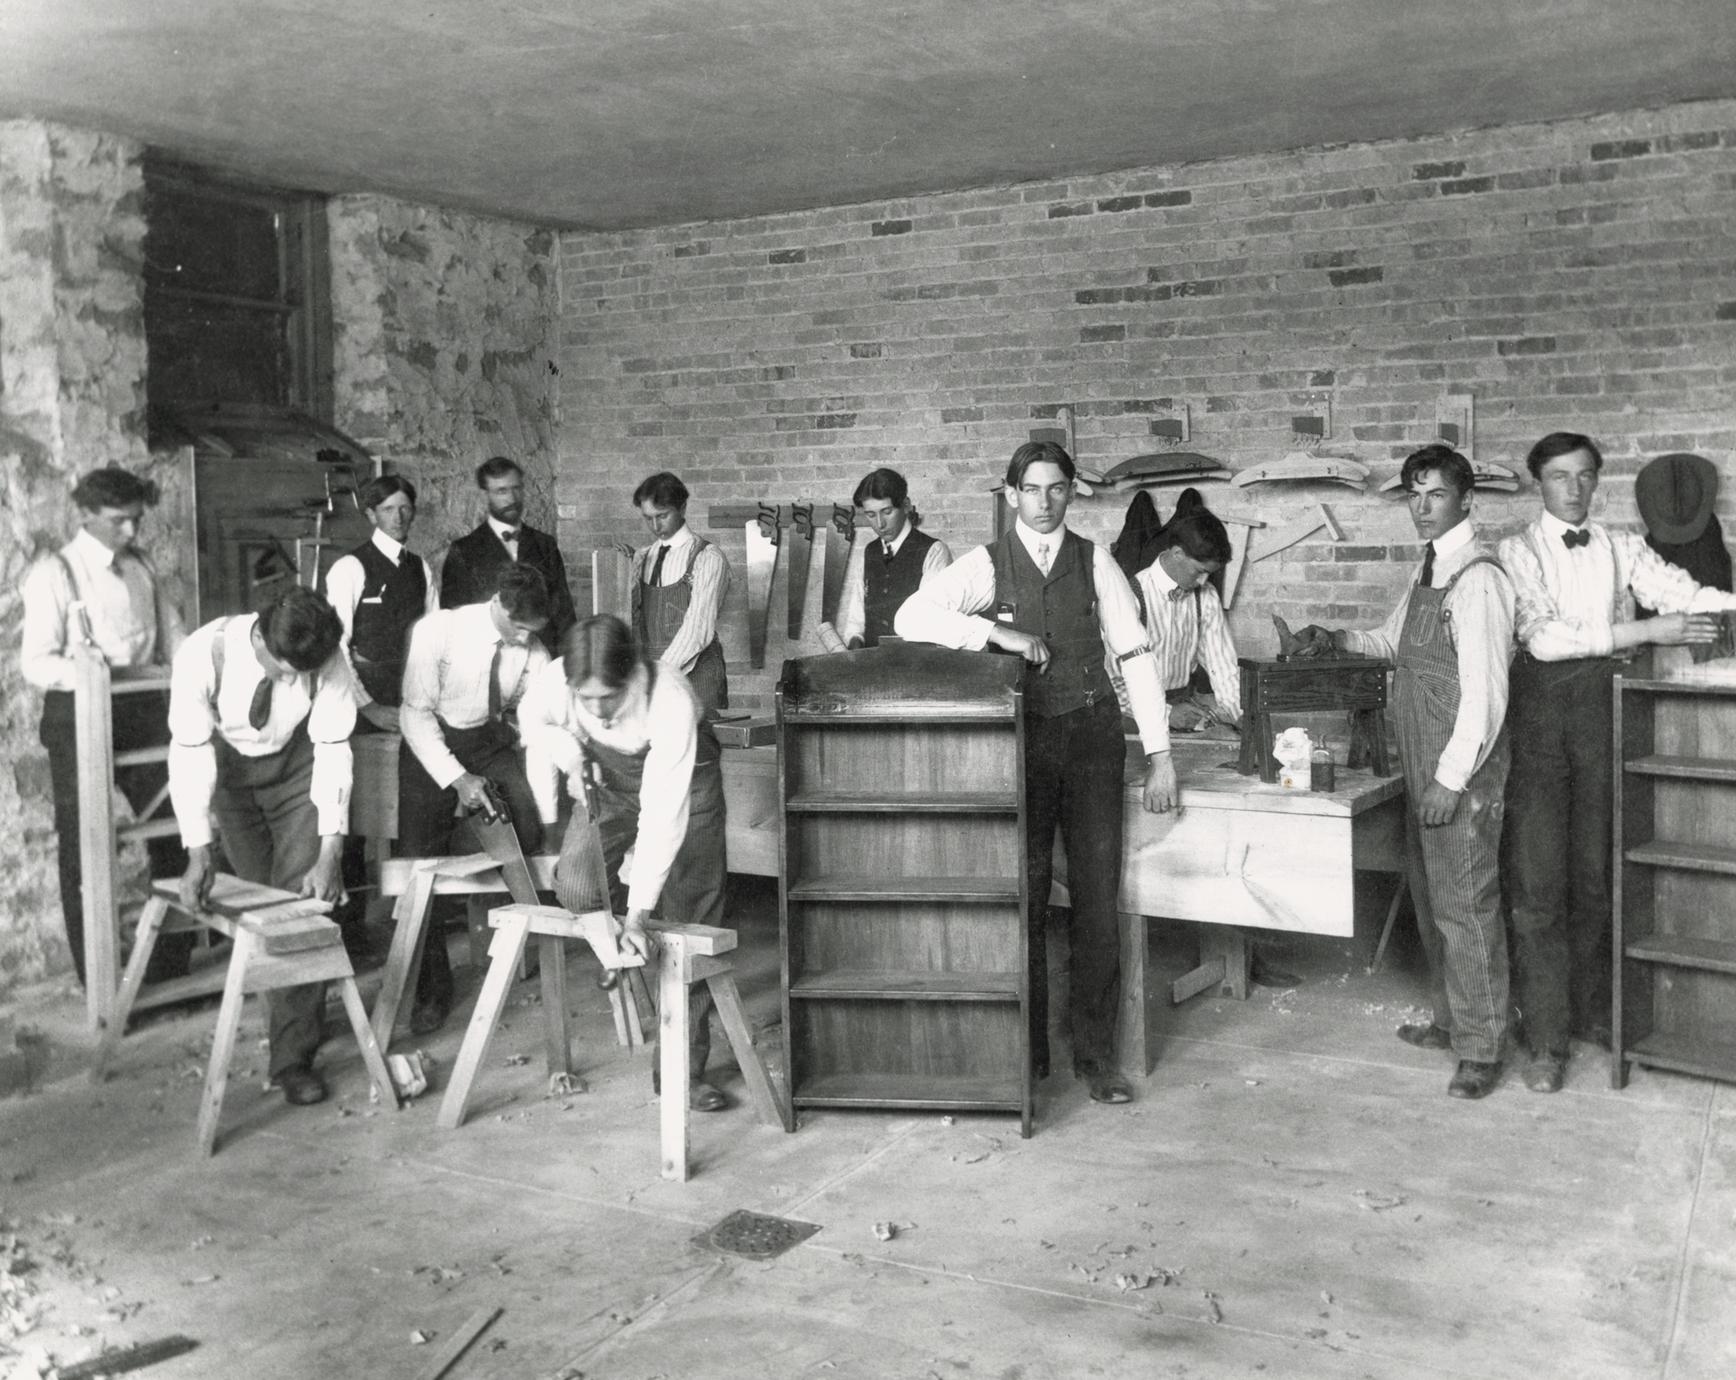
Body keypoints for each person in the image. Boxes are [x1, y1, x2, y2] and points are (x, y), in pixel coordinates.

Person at [895, 440, 1173, 1105]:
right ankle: (1027, 1058)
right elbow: (911, 617)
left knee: (1097, 903)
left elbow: (1134, 656)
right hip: (1021, 746)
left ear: (1071, 493)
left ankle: (1097, 1058)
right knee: (1019, 902)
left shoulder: (1095, 559)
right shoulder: (986, 564)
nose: (1044, 503)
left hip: (1092, 740)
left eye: (1057, 489)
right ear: (1010, 494)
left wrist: (1162, 755)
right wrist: (995, 634)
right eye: (1032, 490)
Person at [1498, 431, 1736, 1093]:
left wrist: (1720, 607)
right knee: (1540, 885)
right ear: (1538, 483)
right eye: (1557, 477)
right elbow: (1544, 640)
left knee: (1599, 878)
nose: (1572, 489)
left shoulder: (1620, 546)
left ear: (1597, 481)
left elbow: (1687, 593)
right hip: (1542, 719)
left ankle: (1588, 1015)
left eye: (1583, 476)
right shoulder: (1517, 552)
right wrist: (1647, 631)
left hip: (1606, 713)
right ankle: (1545, 1041)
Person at [1297, 445, 1515, 1100]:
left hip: (1462, 767)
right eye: (1414, 496)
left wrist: (1451, 779)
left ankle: (1483, 1048)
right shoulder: (1430, 567)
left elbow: (1486, 696)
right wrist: (1334, 639)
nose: (1422, 508)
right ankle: (1453, 1022)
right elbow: (1394, 642)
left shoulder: (1479, 577)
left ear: (1466, 499)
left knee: (1467, 905)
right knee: (1430, 894)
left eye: (1436, 495)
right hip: (1422, 756)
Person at [521, 615, 731, 1112]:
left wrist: (638, 912)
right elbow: (533, 722)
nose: (596, 708)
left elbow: (662, 815)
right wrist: (565, 749)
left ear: (631, 674)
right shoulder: (556, 680)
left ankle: (682, 1068)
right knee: (575, 885)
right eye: (585, 699)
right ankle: (632, 957)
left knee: (690, 915)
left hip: (687, 785)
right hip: (609, 783)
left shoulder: (670, 699)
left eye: (607, 697)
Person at [167, 586, 358, 1107]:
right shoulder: (202, 654)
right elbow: (189, 752)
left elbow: (334, 748)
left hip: (298, 771)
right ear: (261, 635)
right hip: (230, 776)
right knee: (261, 911)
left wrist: (331, 850)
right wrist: (199, 850)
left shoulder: (327, 658)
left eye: (305, 673)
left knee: (299, 906)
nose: (295, 680)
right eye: (284, 671)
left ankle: (293, 1058)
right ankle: (288, 1021)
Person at [22, 467, 190, 987]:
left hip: (141, 711)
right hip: (78, 716)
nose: (132, 533)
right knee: (85, 848)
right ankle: (100, 981)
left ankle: (169, 974)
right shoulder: (56, 573)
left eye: (137, 521)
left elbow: (177, 639)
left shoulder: (141, 566)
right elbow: (35, 662)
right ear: (88, 514)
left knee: (175, 832)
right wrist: (89, 675)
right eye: (120, 522)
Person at [398, 564, 552, 1034]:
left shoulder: (533, 647)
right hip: (430, 740)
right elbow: (414, 715)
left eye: (534, 631)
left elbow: (537, 711)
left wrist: (531, 735)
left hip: (487, 741)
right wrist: (458, 781)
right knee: (420, 864)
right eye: (520, 627)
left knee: (526, 825)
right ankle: (432, 991)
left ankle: (478, 862)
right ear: (501, 605)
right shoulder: (439, 631)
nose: (526, 638)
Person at [323, 474, 438, 733]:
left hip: (412, 695)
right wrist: (369, 707)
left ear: (413, 513)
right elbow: (335, 647)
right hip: (363, 700)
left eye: (404, 508)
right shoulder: (349, 567)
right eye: (387, 509)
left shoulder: (421, 568)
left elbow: (435, 639)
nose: (398, 518)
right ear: (372, 515)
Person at [439, 456, 576, 653]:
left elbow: (564, 615)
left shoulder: (545, 544)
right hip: (490, 665)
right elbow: (454, 620)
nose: (511, 499)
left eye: (516, 488)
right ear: (485, 495)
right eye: (501, 491)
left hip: (543, 661)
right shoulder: (464, 550)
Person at [1131, 492, 1241, 732]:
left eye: (1209, 574)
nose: (1204, 581)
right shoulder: (1132, 595)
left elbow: (1222, 665)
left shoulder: (1206, 595)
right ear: (1177, 553)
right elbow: (1115, 681)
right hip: (1132, 717)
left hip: (1184, 708)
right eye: (1199, 571)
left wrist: (1233, 713)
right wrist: (1165, 713)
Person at [629, 472, 731, 718]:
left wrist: (657, 677)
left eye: (662, 516)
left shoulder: (707, 557)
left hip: (695, 678)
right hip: (651, 675)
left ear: (682, 508)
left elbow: (698, 629)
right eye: (648, 518)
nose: (655, 527)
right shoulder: (641, 558)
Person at [834, 467, 953, 649]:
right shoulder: (870, 552)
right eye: (871, 515)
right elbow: (856, 619)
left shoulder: (934, 552)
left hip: (915, 667)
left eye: (887, 511)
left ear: (905, 505)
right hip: (871, 666)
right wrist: (854, 643)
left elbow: (933, 620)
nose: (880, 524)